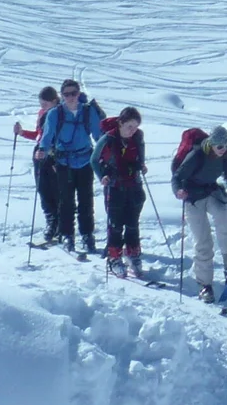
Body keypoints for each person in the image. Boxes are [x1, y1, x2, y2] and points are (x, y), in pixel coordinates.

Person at [172, 125, 227, 301]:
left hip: (210, 192)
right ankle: (205, 285)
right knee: (203, 241)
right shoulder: (196, 155)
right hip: (192, 197)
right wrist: (178, 190)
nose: (223, 150)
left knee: (223, 216)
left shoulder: (225, 157)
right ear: (211, 144)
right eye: (220, 147)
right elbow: (177, 177)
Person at [37, 78, 104, 253]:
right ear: (62, 96)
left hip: (85, 161)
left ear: (79, 93)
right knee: (66, 201)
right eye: (67, 94)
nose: (71, 97)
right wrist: (42, 150)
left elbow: (98, 134)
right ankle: (67, 235)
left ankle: (87, 234)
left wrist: (106, 150)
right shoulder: (55, 114)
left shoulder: (88, 112)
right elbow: (48, 134)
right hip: (63, 162)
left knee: (86, 200)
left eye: (74, 93)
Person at [94, 107, 147, 278]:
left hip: (134, 184)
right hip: (114, 185)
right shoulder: (108, 138)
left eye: (135, 126)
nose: (133, 130)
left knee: (133, 223)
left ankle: (133, 255)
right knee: (115, 224)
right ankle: (114, 258)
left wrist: (141, 166)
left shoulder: (138, 137)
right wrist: (102, 175)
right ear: (120, 123)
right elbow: (94, 160)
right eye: (129, 126)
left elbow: (140, 156)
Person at [14, 86, 60, 244]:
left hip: (54, 155)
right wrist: (22, 133)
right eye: (41, 105)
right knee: (43, 189)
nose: (43, 108)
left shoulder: (60, 114)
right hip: (40, 154)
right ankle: (51, 222)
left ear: (54, 101)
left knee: (56, 190)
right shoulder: (43, 114)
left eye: (45, 104)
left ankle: (58, 223)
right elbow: (39, 136)